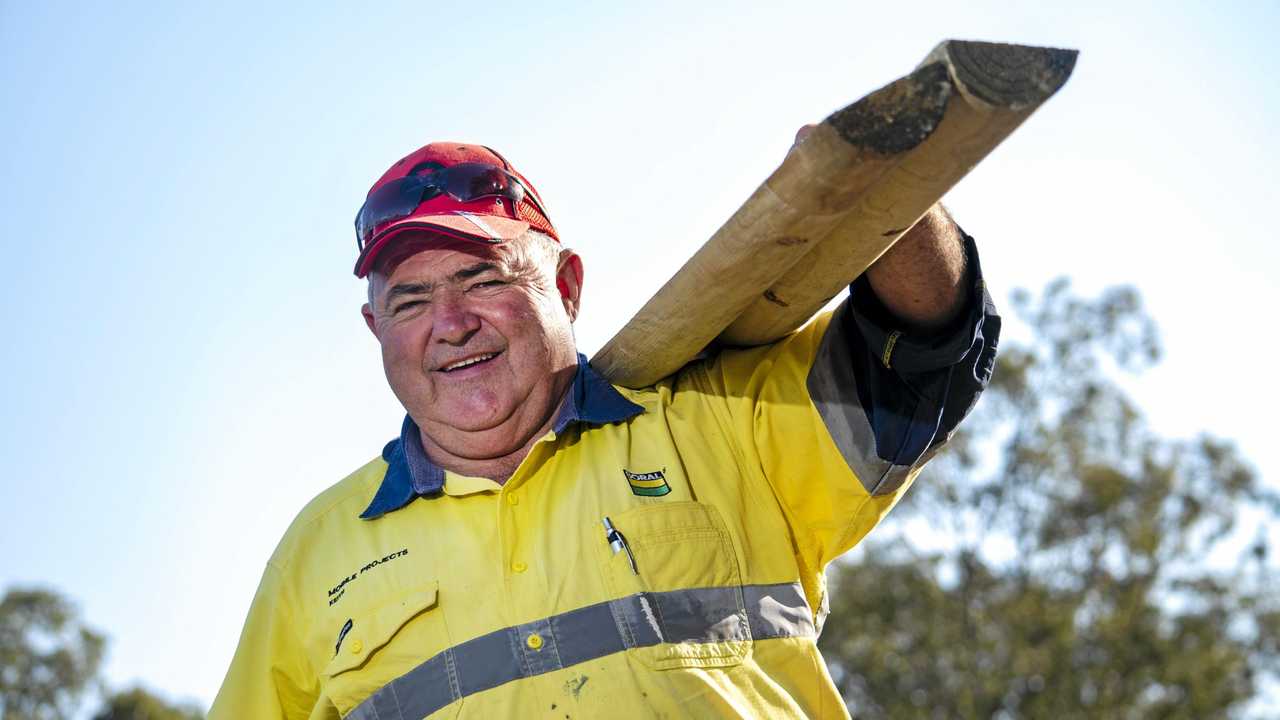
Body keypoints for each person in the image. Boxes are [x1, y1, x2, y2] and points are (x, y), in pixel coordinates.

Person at [210, 137, 1000, 719]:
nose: (449, 324)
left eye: (483, 277)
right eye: (410, 301)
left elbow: (921, 356)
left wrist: (887, 185)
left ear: (566, 285)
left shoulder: (714, 426)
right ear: (374, 328)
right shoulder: (317, 555)